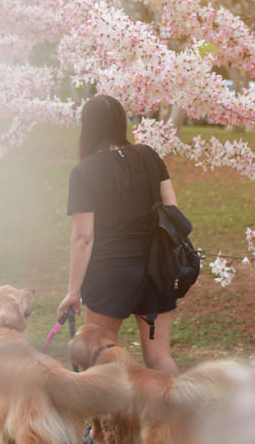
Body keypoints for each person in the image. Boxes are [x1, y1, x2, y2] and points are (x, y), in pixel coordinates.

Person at [57, 95, 180, 374]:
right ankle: (175, 416)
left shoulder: (84, 172)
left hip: (110, 275)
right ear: (119, 123)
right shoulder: (149, 156)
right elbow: (173, 212)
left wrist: (73, 291)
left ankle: (107, 418)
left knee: (99, 352)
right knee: (160, 356)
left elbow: (83, 237)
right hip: (156, 271)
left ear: (87, 127)